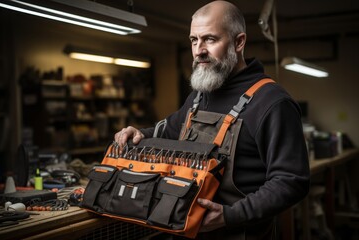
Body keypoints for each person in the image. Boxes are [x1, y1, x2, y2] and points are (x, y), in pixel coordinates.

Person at [115, 0, 310, 239]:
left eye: (210, 39)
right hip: (190, 229)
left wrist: (230, 216)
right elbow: (170, 129)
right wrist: (141, 133)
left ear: (239, 42)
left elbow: (291, 181)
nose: (199, 50)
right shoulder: (200, 96)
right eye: (194, 40)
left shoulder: (272, 102)